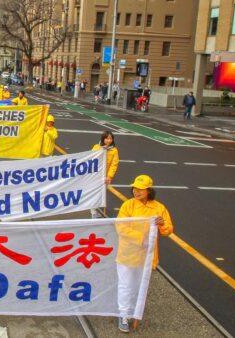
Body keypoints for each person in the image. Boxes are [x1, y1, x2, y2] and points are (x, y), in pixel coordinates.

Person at [116, 175, 174, 333]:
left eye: (140, 189)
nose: (136, 191)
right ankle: (123, 315)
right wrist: (141, 239)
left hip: (146, 256)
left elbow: (168, 230)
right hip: (127, 254)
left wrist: (162, 225)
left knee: (138, 286)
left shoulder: (159, 208)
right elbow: (121, 227)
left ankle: (134, 311)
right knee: (125, 285)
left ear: (149, 190)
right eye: (134, 188)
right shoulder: (128, 205)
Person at [90, 131, 120, 218]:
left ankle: (95, 209)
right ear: (103, 139)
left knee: (101, 193)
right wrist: (101, 149)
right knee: (94, 192)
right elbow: (91, 157)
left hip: (106, 177)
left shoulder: (114, 150)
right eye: (107, 138)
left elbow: (114, 164)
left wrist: (109, 176)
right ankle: (93, 212)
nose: (108, 140)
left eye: (110, 138)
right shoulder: (96, 147)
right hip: (95, 175)